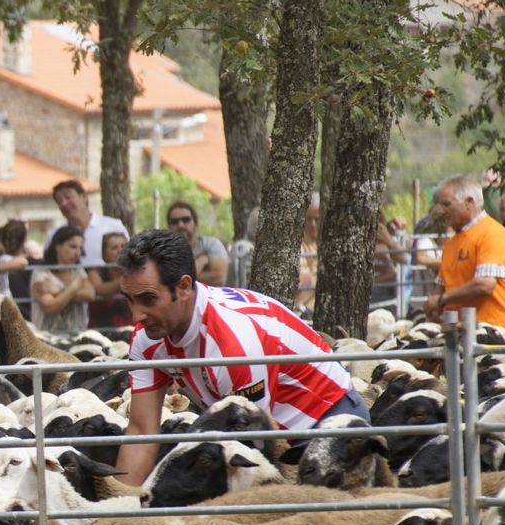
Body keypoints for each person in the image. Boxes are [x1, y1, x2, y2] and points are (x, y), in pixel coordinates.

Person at [113, 229, 367, 487]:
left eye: (148, 299)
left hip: (327, 422)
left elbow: (256, 446)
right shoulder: (147, 337)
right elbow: (141, 433)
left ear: (184, 287)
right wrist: (118, 510)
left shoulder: (232, 341)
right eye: (129, 300)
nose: (136, 316)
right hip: (268, 431)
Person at [424, 174, 505, 329]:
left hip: (497, 333)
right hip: (459, 332)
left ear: (469, 202)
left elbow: (485, 284)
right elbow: (440, 288)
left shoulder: (492, 234)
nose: (441, 211)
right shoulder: (450, 244)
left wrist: (442, 299)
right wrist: (434, 306)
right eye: (440, 205)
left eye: (446, 204)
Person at [30, 225, 94, 336]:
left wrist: (59, 290)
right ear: (57, 246)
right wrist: (74, 287)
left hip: (77, 336)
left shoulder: (78, 270)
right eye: (73, 247)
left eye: (80, 248)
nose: (77, 252)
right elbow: (50, 307)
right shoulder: (41, 273)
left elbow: (90, 294)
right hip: (48, 338)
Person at [52, 179, 127, 269]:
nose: (64, 203)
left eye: (68, 197)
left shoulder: (113, 226)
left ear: (83, 197)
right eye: (59, 201)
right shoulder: (55, 235)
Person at [167, 201, 228, 286]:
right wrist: (201, 261)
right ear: (169, 227)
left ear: (195, 223)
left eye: (186, 220)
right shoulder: (165, 251)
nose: (181, 225)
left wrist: (180, 276)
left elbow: (219, 279)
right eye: (175, 222)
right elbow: (170, 282)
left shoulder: (211, 244)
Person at [86, 231, 133, 329]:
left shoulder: (135, 271)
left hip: (130, 328)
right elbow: (99, 289)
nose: (120, 250)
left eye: (123, 246)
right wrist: (128, 278)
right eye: (114, 248)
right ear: (105, 255)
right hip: (101, 330)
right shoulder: (95, 271)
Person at [295, 198, 320, 312]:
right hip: (303, 311)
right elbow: (302, 281)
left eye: (317, 220)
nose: (313, 224)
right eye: (309, 219)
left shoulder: (320, 244)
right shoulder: (298, 246)